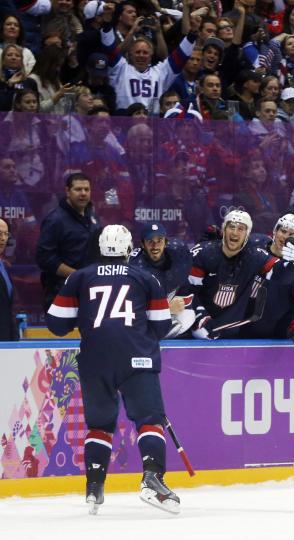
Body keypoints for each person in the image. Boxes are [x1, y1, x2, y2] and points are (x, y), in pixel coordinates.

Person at [46, 225, 178, 514]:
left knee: (100, 425)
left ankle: (94, 488)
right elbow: (161, 327)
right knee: (148, 420)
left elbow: (56, 322)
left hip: (95, 361)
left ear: (101, 248)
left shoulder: (80, 277)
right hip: (137, 358)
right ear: (130, 249)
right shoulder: (146, 277)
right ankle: (152, 478)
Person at [187, 210, 280, 340]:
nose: (235, 232)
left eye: (241, 228)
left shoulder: (254, 256)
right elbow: (185, 292)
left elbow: (282, 272)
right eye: (231, 227)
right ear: (224, 230)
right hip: (198, 333)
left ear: (247, 235)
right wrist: (199, 317)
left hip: (233, 336)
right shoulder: (203, 254)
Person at [243, 214, 294, 345]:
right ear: (275, 231)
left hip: (268, 335)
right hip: (236, 326)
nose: (285, 237)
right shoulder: (255, 242)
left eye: (292, 234)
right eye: (283, 231)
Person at [36, 173, 99, 310]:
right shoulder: (55, 220)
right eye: (78, 189)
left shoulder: (93, 217)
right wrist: (77, 276)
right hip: (61, 293)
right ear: (67, 191)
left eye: (86, 189)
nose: (83, 193)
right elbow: (44, 258)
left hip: (90, 291)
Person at [129, 223, 194, 338]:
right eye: (150, 241)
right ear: (142, 244)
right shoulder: (135, 268)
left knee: (189, 316)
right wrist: (167, 309)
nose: (155, 246)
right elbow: (132, 311)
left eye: (159, 240)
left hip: (166, 309)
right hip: (142, 318)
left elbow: (185, 287)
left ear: (166, 242)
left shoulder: (180, 254)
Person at [0, 218, 16, 340]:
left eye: (6, 234)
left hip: (7, 340)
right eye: (0, 233)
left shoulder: (3, 266)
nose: (3, 238)